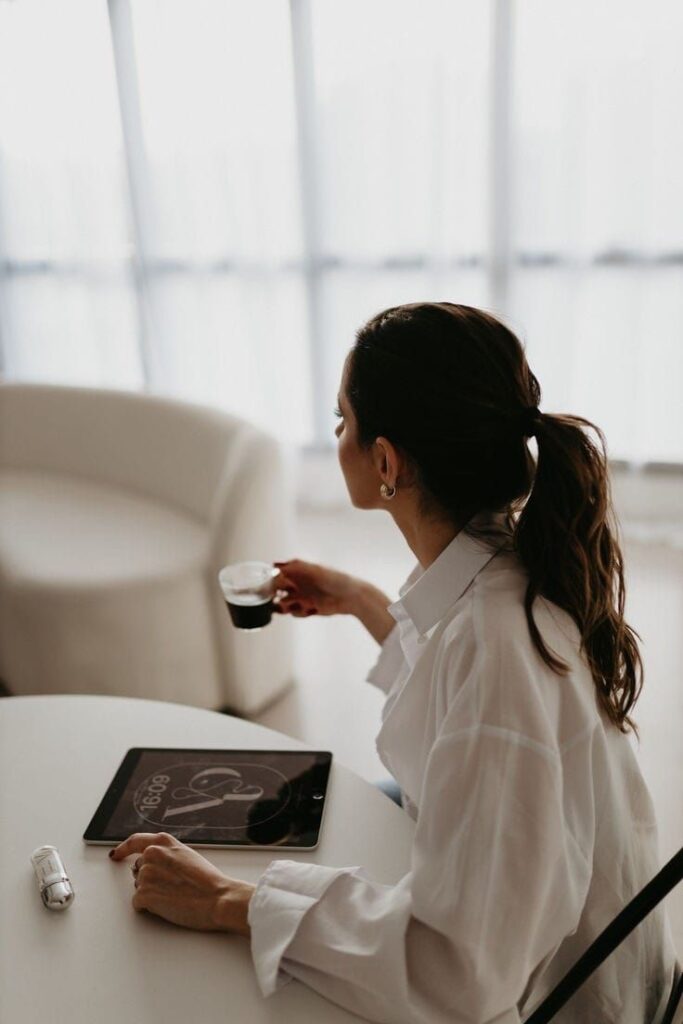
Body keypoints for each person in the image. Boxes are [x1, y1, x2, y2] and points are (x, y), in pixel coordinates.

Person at [110, 302, 677, 1023]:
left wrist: (229, 900)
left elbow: (454, 973)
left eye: (342, 421)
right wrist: (360, 601)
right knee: (330, 805)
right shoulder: (507, 568)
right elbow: (452, 688)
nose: (335, 435)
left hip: (553, 999)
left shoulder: (495, 653)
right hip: (545, 929)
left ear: (385, 462)